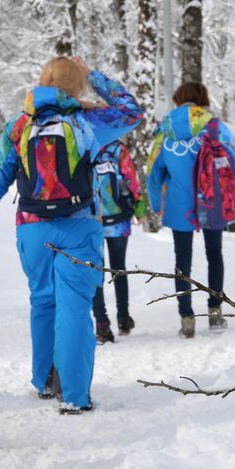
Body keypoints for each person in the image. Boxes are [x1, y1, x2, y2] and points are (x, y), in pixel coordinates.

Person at [0, 57, 145, 413]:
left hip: (31, 227)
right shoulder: (87, 122)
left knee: (42, 302)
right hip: (79, 224)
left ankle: (43, 381)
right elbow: (132, 111)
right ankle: (73, 395)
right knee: (74, 306)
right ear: (76, 85)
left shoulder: (19, 125)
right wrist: (93, 75)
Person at [146, 82, 235, 339]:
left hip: (180, 205)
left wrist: (156, 204)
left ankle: (187, 319)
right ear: (202, 98)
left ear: (178, 99)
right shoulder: (214, 125)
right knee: (215, 254)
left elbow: (153, 172)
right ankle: (214, 313)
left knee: (182, 262)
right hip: (211, 201)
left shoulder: (165, 129)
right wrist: (228, 187)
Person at [91, 139, 145, 344]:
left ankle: (102, 324)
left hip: (92, 219)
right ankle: (123, 319)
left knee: (96, 271)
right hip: (119, 218)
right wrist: (139, 206)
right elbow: (131, 179)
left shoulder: (84, 142)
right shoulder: (117, 148)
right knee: (119, 270)